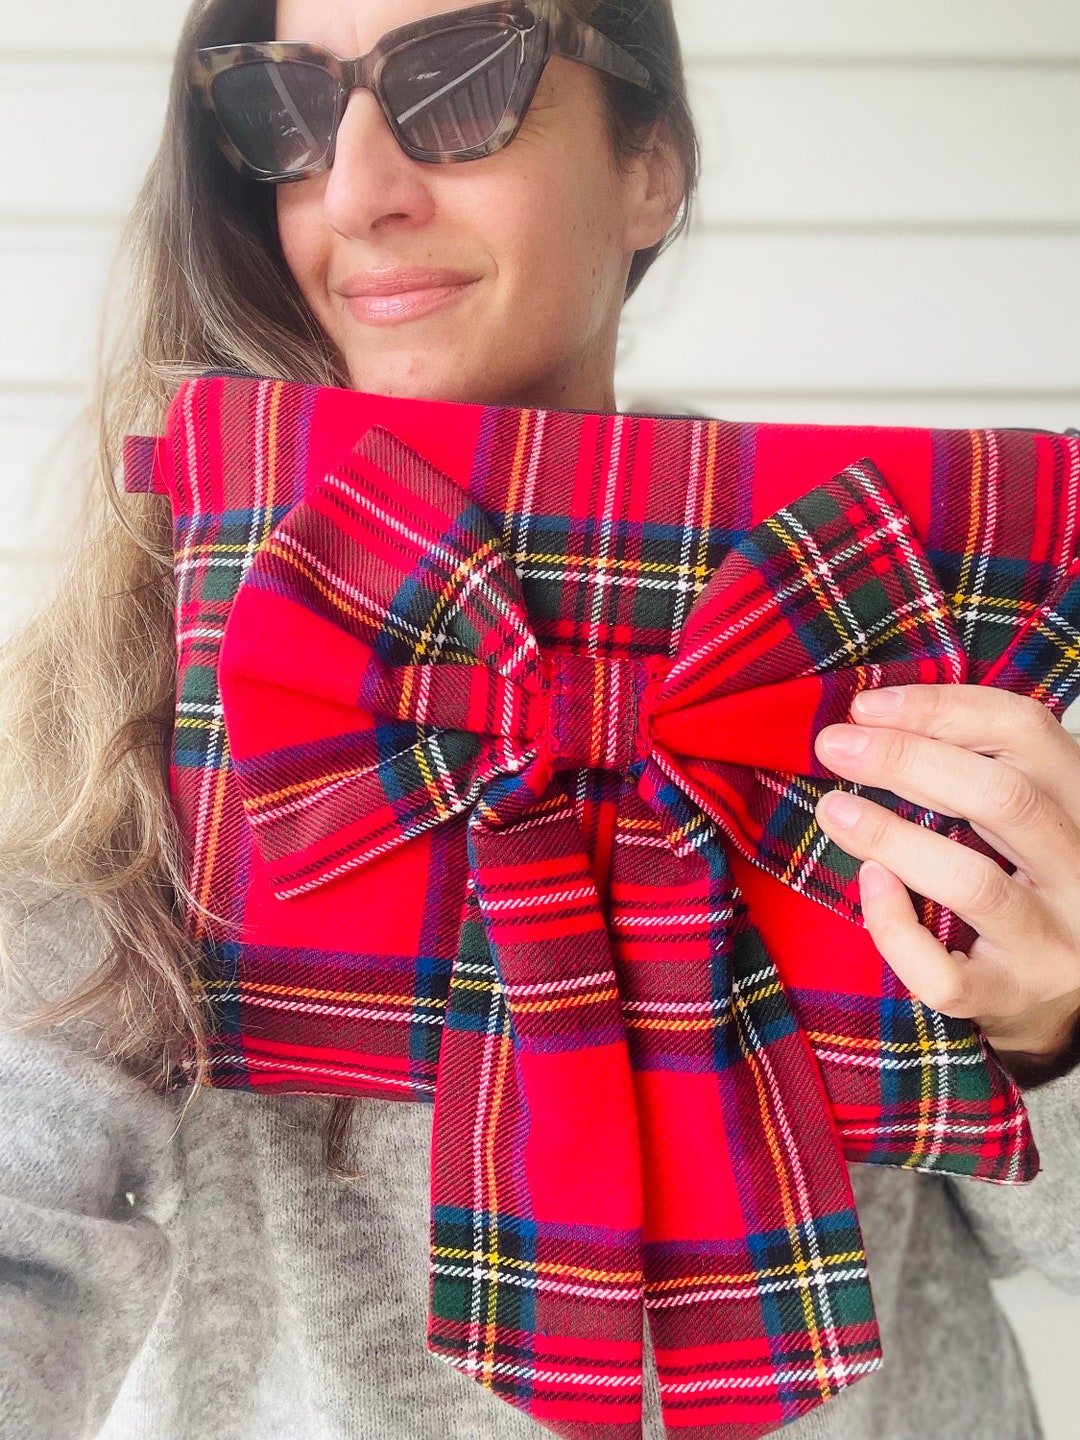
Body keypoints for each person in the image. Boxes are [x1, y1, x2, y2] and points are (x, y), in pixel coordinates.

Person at [1, 1, 1079, 1437]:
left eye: (462, 83)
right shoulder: (131, 698)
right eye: (286, 110)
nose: (357, 191)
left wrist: (1054, 1031)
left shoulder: (899, 607)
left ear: (652, 165)